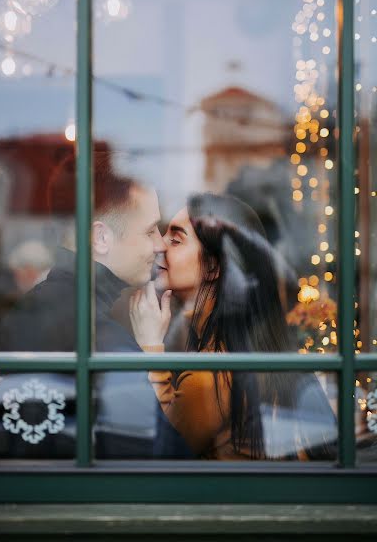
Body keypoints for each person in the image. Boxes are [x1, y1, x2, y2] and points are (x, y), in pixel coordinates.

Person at [0, 149, 193, 460]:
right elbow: (163, 457)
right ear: (100, 238)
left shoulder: (31, 308)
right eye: (149, 230)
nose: (159, 243)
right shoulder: (103, 340)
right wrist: (149, 354)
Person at [130, 192, 337, 460]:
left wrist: (149, 348)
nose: (160, 246)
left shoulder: (209, 378)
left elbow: (155, 453)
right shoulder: (238, 351)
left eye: (176, 239)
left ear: (213, 266)